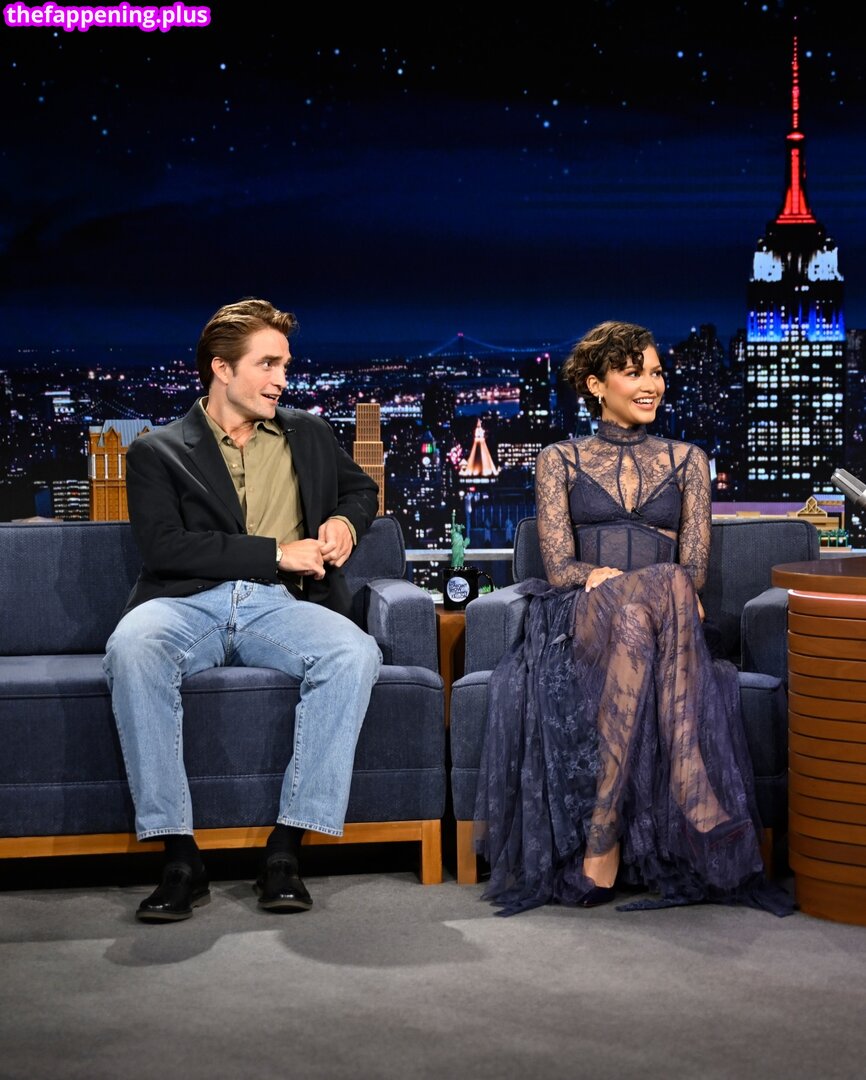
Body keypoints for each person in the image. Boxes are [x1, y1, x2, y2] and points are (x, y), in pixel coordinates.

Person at [473, 320, 794, 917]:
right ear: (596, 385)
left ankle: (602, 834)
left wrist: (660, 590)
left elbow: (693, 568)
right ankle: (690, 781)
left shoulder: (689, 460)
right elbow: (559, 565)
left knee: (663, 589)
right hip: (582, 612)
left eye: (657, 372)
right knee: (661, 587)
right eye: (634, 372)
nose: (652, 384)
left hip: (663, 622)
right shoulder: (559, 459)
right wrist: (598, 576)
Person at [103, 298, 382, 922]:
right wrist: (276, 552)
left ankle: (286, 849)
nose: (282, 379)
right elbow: (165, 547)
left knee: (354, 652)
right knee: (133, 647)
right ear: (222, 368)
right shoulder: (157, 451)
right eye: (267, 364)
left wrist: (345, 522)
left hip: (279, 604)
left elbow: (360, 489)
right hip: (184, 601)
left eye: (285, 365)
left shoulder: (308, 433)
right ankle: (180, 857)